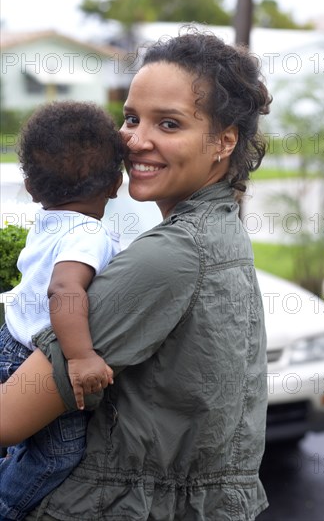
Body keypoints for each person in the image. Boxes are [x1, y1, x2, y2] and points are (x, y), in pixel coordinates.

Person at [0, 30, 272, 520]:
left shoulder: (170, 255)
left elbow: (7, 419)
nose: (134, 140)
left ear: (223, 141)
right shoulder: (220, 231)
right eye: (130, 118)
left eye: (168, 123)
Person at [0, 101, 125, 520]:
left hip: (9, 340)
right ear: (116, 183)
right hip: (36, 355)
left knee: (25, 438)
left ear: (33, 188)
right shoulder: (89, 234)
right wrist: (82, 355)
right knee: (56, 455)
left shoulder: (47, 221)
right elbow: (64, 289)